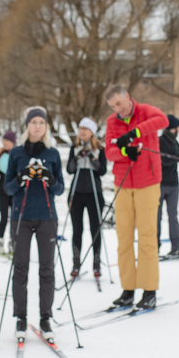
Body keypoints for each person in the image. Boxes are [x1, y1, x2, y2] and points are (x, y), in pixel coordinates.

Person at [4, 106, 66, 339]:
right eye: (33, 122)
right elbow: (7, 188)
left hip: (46, 217)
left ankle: (45, 318)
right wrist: (21, 177)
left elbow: (60, 189)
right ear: (27, 126)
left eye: (41, 122)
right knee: (20, 268)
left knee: (47, 269)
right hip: (20, 217)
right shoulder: (16, 153)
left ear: (46, 126)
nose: (37, 126)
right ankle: (20, 318)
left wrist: (49, 179)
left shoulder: (53, 154)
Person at [104, 84, 168, 309]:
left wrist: (135, 133)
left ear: (127, 97)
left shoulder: (145, 111)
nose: (117, 109)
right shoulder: (112, 122)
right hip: (122, 184)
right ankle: (128, 289)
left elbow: (162, 120)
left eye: (119, 103)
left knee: (147, 237)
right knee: (123, 239)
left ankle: (149, 290)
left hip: (147, 183)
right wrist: (124, 152)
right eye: (113, 106)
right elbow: (109, 151)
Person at [65, 117, 107, 279]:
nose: (82, 131)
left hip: (94, 194)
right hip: (76, 194)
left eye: (85, 129)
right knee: (77, 230)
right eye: (80, 128)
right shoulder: (74, 147)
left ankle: (96, 263)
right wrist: (77, 158)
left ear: (92, 132)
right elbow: (69, 170)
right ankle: (76, 263)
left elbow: (102, 171)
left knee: (95, 229)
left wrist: (92, 158)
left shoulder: (100, 149)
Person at [157, 114, 179, 258]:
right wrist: (174, 158)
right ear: (173, 127)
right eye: (177, 127)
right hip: (160, 184)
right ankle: (154, 246)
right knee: (157, 217)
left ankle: (176, 247)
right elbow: (162, 160)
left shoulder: (175, 141)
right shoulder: (160, 141)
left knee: (173, 217)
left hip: (174, 185)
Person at [0, 131, 16, 253]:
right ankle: (0, 241)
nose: (4, 142)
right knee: (4, 217)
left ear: (13, 142)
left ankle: (12, 241)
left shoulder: (16, 155)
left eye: (7, 140)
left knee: (14, 218)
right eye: (3, 140)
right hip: (2, 191)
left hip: (15, 191)